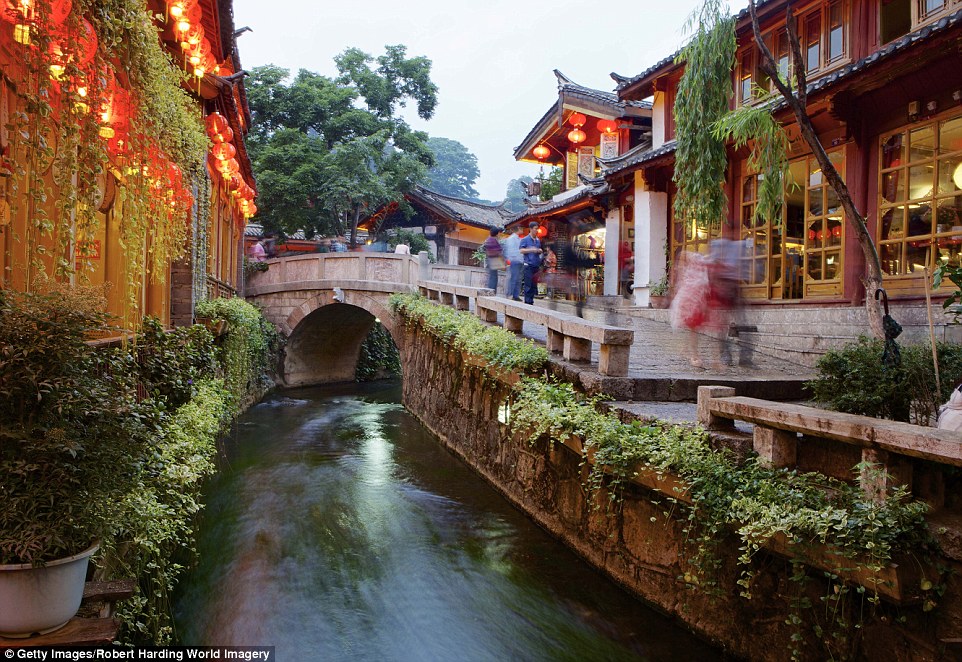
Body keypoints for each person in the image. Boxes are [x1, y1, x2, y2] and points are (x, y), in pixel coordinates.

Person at [519, 222, 543, 305]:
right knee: (528, 285)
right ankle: (527, 303)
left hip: (536, 265)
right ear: (531, 229)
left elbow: (538, 249)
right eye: (535, 229)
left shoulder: (538, 240)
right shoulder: (525, 239)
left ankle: (531, 302)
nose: (537, 230)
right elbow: (521, 250)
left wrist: (539, 250)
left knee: (533, 285)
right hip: (528, 265)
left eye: (537, 229)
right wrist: (531, 250)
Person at [503, 225, 523, 301]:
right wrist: (511, 260)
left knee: (518, 279)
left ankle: (515, 295)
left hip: (519, 261)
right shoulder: (511, 239)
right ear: (518, 228)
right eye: (521, 228)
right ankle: (510, 294)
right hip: (514, 261)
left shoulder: (519, 239)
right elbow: (510, 251)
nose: (522, 230)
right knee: (513, 278)